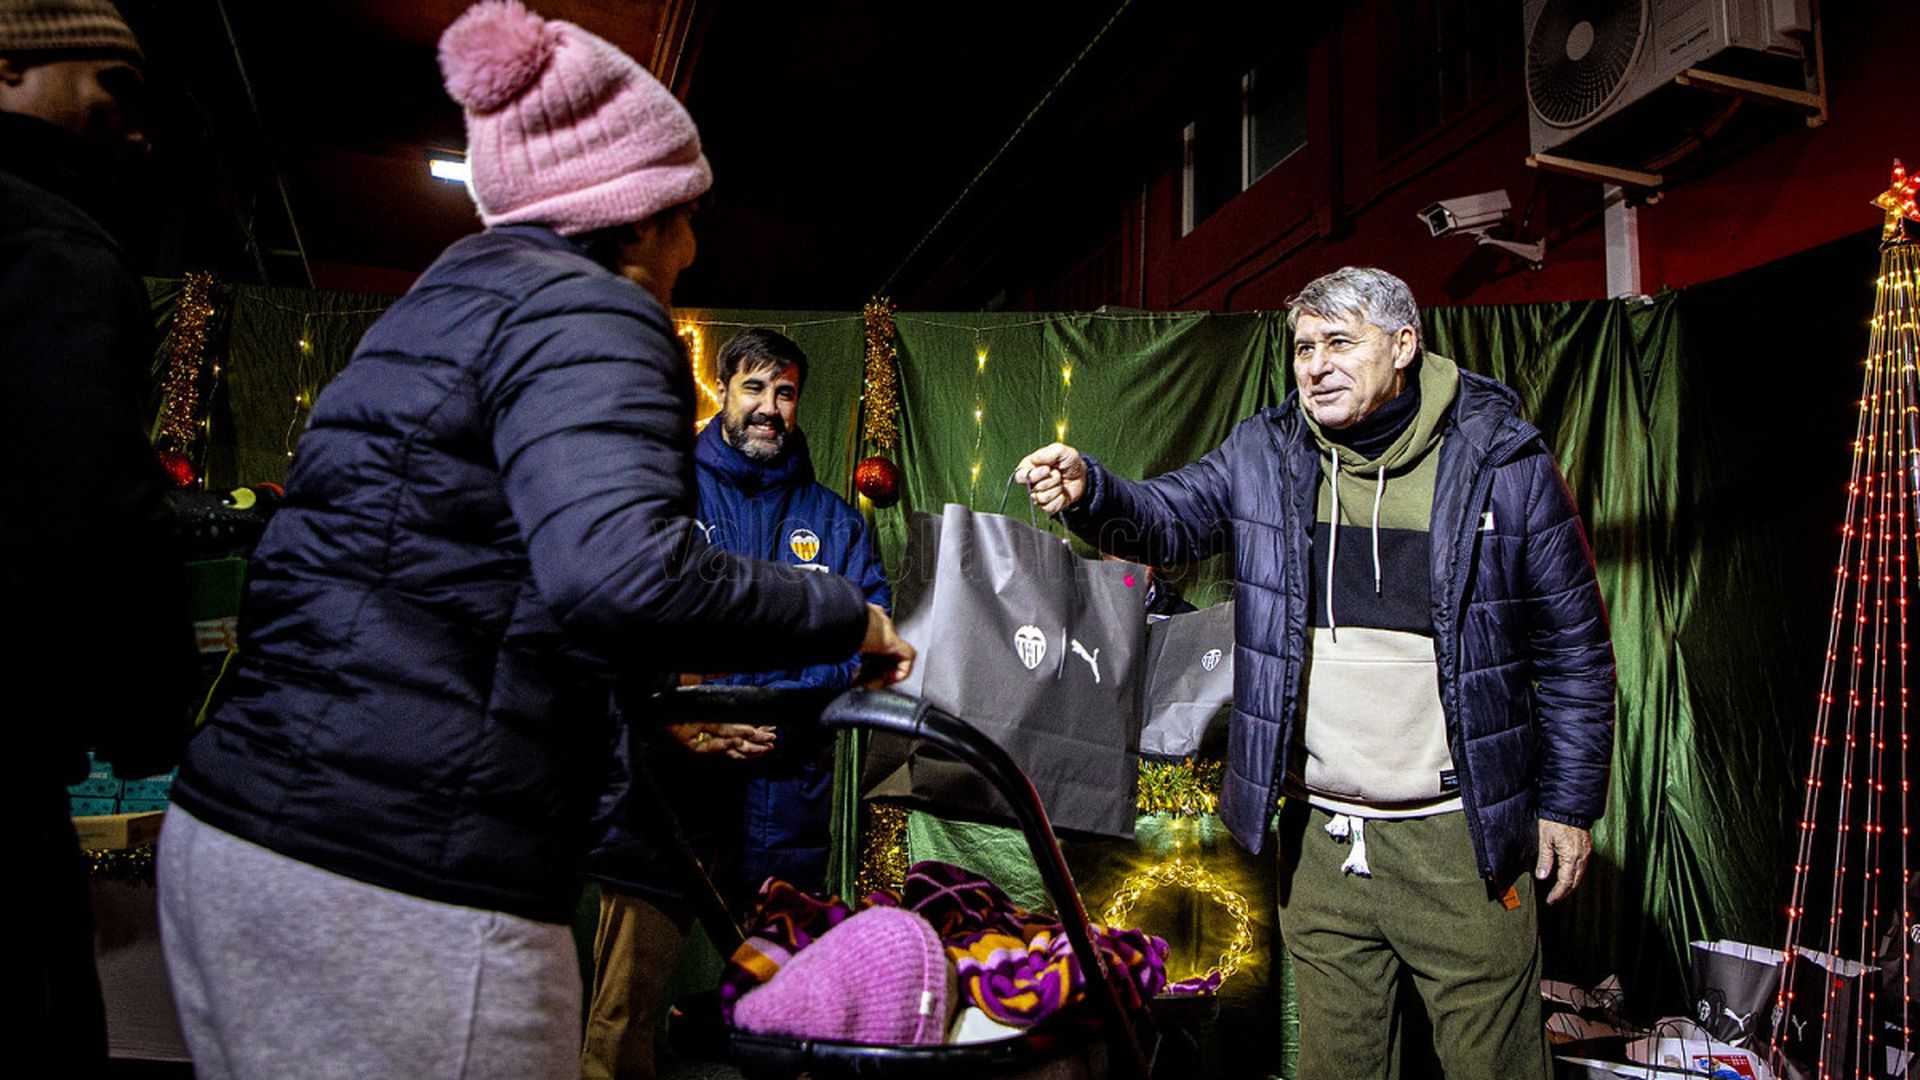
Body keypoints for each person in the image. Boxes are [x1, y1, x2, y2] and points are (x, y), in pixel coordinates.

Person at [154, 4, 912, 1079]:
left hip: (241, 831)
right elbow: (624, 576)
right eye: (686, 214)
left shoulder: (434, 310)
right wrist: (849, 616)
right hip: (404, 866)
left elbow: (505, 584)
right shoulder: (594, 316)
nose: (692, 247)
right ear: (633, 215)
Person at [1017, 266, 1614, 1079]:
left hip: (1460, 840)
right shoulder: (1266, 452)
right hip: (1322, 843)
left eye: (1340, 343)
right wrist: (1093, 492)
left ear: (1403, 345)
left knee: (1496, 1067)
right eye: (1303, 348)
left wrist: (1569, 805)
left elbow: (1574, 646)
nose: (1316, 366)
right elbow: (1169, 519)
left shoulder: (1503, 462)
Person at [581, 327, 890, 1080]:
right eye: (753, 388)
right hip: (670, 793)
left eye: (785, 392)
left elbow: (866, 641)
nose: (769, 408)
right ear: (722, 391)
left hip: (785, 798)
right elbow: (624, 619)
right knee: (620, 1019)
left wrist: (762, 702)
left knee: (784, 1029)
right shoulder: (665, 497)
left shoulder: (837, 522)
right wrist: (695, 707)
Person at [1, 1, 196, 1073]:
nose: (135, 127)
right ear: (8, 66)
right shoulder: (50, 245)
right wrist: (150, 718)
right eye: (110, 86)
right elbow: (88, 507)